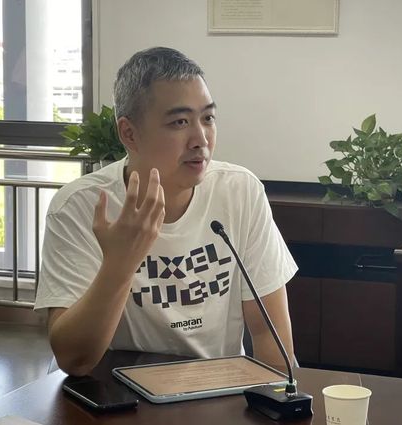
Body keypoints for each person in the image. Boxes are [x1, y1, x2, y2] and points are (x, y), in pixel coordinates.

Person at [34, 47, 298, 376]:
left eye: (208, 118)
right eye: (179, 122)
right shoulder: (82, 206)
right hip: (116, 390)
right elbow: (74, 359)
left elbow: (271, 339)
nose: (200, 139)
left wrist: (276, 399)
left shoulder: (240, 191)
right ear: (129, 133)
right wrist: (120, 263)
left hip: (216, 387)